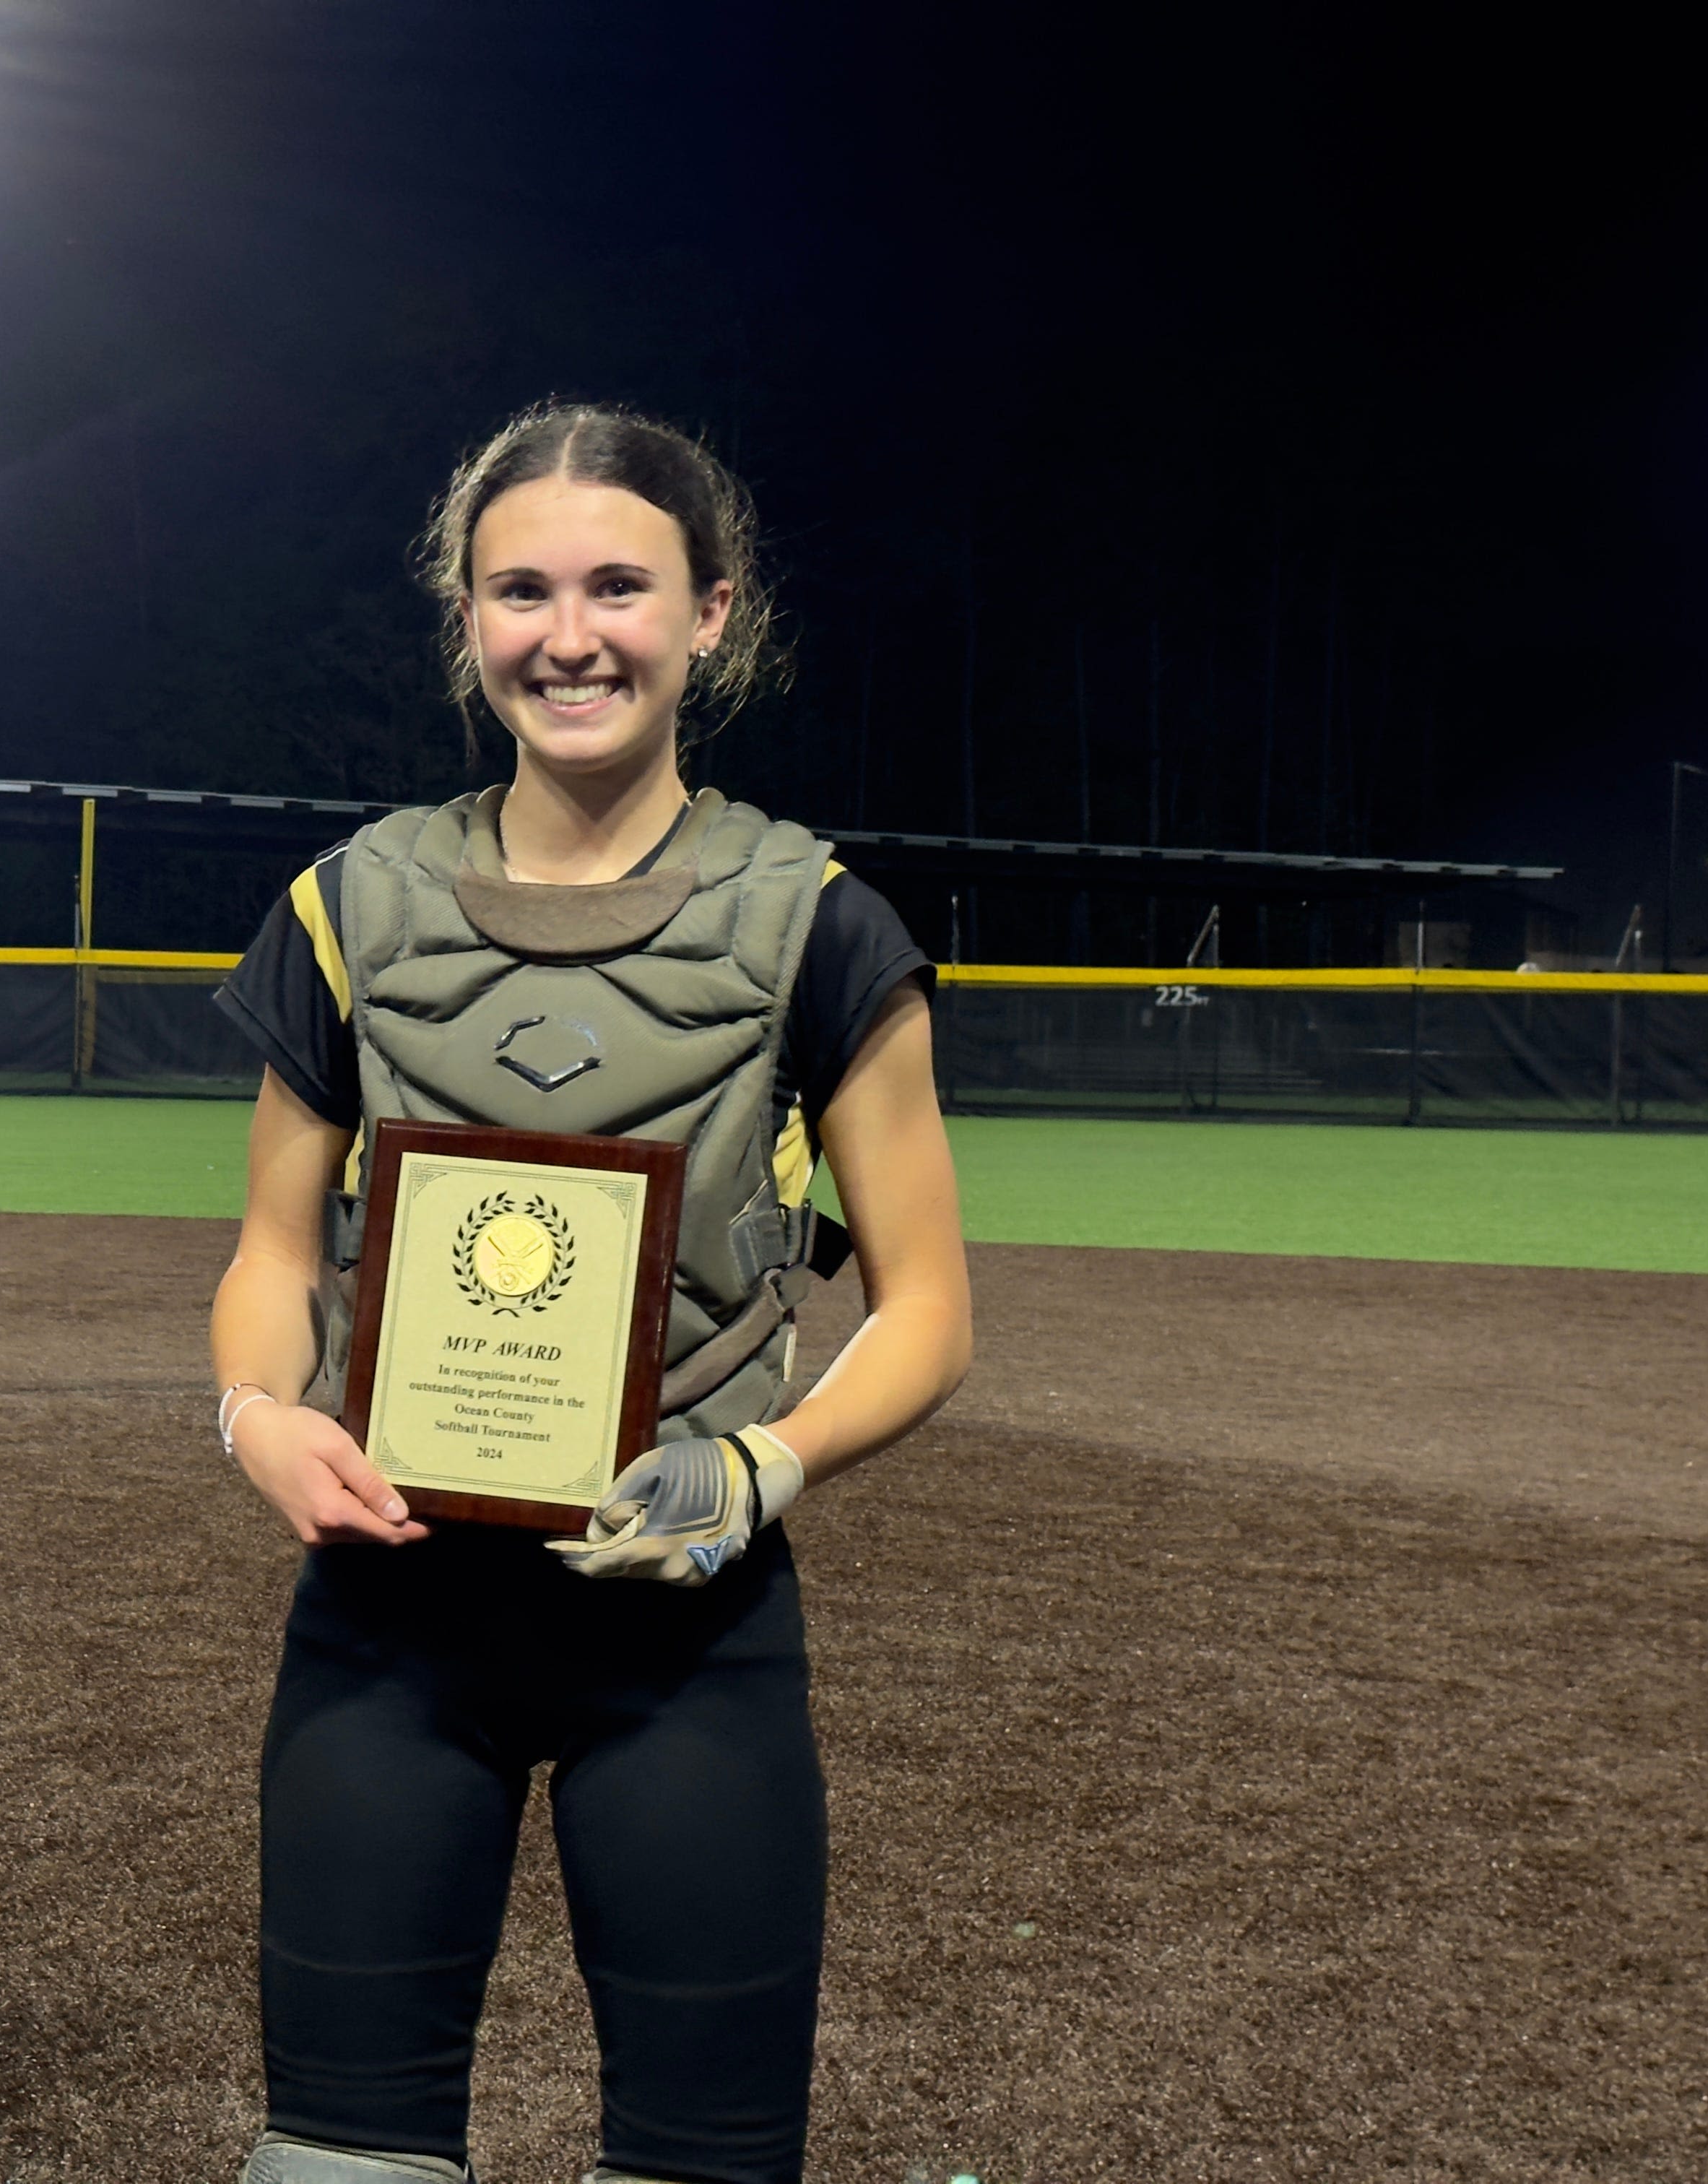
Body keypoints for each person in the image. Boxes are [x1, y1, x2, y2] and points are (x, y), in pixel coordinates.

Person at [208, 404, 973, 2184]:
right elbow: (266, 1253)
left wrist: (766, 1467)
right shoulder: (348, 906)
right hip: (391, 1627)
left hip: (686, 1642)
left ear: (713, 612)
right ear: (468, 618)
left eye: (620, 586)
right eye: (520, 590)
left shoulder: (816, 923)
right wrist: (258, 1415)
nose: (570, 635)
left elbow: (930, 1305)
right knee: (335, 2170)